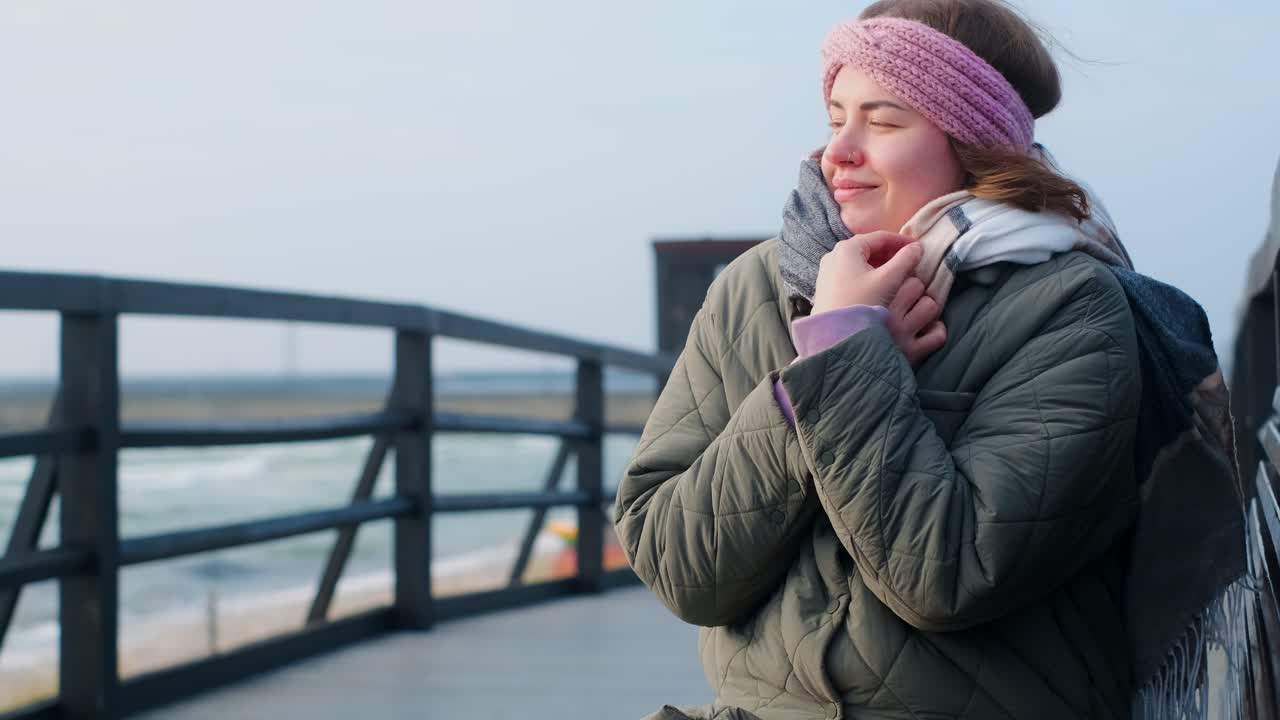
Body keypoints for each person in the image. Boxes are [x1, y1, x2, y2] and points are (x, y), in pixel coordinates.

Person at [615, 1, 1248, 719]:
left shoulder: (1069, 307)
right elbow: (676, 567)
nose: (838, 151)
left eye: (882, 122)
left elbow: (950, 575)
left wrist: (843, 355)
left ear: (973, 141)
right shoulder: (755, 289)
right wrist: (797, 398)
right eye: (834, 117)